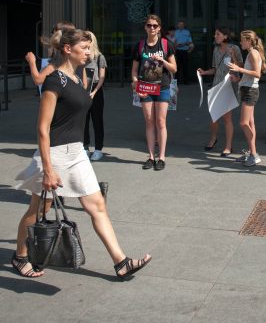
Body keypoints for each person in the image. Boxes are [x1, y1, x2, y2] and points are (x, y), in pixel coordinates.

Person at [13, 28, 151, 278]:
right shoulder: (55, 80)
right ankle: (20, 256)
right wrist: (48, 169)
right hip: (54, 153)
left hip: (77, 153)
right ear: (68, 49)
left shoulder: (77, 78)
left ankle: (121, 262)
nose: (89, 52)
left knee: (97, 205)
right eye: (85, 48)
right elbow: (42, 129)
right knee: (38, 210)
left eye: (89, 48)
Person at [132, 15, 177, 171]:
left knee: (161, 121)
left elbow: (174, 68)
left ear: (159, 28)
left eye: (155, 26)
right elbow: (134, 70)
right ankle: (151, 157)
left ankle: (162, 157)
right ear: (145, 27)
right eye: (149, 25)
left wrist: (162, 60)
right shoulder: (140, 45)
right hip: (146, 88)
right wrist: (136, 85)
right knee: (149, 121)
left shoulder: (166, 45)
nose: (152, 28)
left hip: (163, 86)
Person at [197, 27, 243, 156]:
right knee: (213, 117)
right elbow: (215, 69)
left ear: (225, 36)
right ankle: (213, 138)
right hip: (217, 85)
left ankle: (228, 146)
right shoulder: (216, 49)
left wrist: (232, 54)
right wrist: (205, 72)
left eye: (218, 34)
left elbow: (241, 66)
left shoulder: (235, 48)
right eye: (215, 34)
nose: (215, 36)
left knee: (227, 118)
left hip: (229, 85)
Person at [228, 30, 266, 167]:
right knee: (250, 123)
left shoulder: (253, 54)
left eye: (242, 40)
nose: (240, 42)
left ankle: (254, 154)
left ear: (249, 40)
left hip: (251, 91)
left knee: (244, 123)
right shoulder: (252, 53)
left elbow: (257, 74)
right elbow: (249, 75)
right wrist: (238, 78)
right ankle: (251, 152)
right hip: (247, 89)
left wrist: (239, 69)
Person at [84, 31, 107, 161]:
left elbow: (102, 77)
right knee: (84, 120)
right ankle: (85, 147)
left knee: (97, 120)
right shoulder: (80, 56)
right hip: (83, 89)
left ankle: (98, 149)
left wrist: (94, 92)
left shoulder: (99, 57)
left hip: (96, 89)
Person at [174, 20, 194, 85]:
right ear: (178, 25)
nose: (181, 26)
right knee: (177, 67)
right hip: (178, 51)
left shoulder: (187, 32)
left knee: (185, 67)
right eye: (179, 24)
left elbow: (190, 42)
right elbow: (173, 42)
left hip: (185, 51)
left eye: (182, 24)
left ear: (184, 25)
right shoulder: (175, 32)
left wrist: (183, 44)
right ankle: (177, 82)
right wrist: (177, 45)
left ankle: (186, 81)